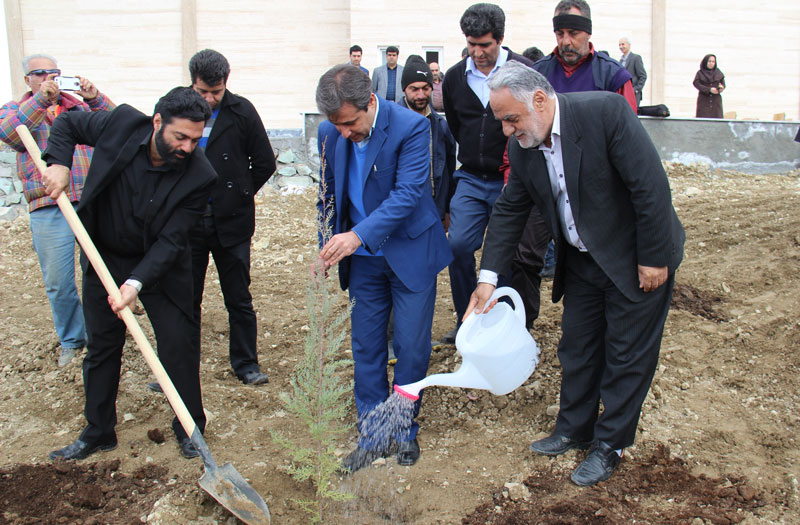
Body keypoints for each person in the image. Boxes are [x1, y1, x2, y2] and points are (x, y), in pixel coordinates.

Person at [467, 61, 684, 486]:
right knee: (578, 348)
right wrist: (488, 278)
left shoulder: (605, 114)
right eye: (502, 122)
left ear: (541, 101)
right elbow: (511, 210)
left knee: (626, 354)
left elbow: (650, 186)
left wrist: (655, 257)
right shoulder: (522, 147)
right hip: (583, 260)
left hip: (634, 255)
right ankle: (573, 428)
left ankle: (610, 444)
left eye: (511, 119)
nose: (507, 131)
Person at [43, 87, 217, 461]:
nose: (187, 147)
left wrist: (135, 284)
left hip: (160, 268)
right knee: (103, 347)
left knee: (178, 344)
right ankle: (98, 432)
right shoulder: (121, 124)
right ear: (157, 123)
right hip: (103, 258)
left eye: (195, 139)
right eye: (179, 137)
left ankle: (190, 428)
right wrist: (58, 162)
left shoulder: (201, 175)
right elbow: (68, 123)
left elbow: (172, 242)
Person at [315, 64, 452, 473]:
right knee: (367, 348)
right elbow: (327, 197)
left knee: (411, 348)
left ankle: (404, 429)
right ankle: (374, 435)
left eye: (350, 123)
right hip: (364, 265)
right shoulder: (330, 133)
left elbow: (409, 193)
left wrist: (356, 236)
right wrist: (324, 246)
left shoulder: (410, 127)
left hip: (410, 253)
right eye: (336, 125)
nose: (344, 133)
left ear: (370, 102)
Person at [511, 0, 639, 331]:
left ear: (589, 34)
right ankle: (522, 326)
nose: (566, 41)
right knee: (525, 254)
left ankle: (597, 323)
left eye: (574, 33)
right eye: (560, 33)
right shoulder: (537, 74)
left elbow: (631, 141)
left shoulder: (613, 76)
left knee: (593, 258)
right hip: (545, 183)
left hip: (597, 193)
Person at [0, 54, 114, 367]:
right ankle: (73, 340)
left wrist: (95, 98)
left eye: (54, 73)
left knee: (104, 270)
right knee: (59, 280)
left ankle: (106, 330)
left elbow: (119, 126)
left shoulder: (77, 106)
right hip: (49, 205)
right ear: (28, 79)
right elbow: (11, 133)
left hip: (90, 200)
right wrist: (41, 100)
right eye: (39, 73)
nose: (47, 77)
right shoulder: (16, 109)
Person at [440, 2, 534, 344]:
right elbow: (455, 123)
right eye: (471, 44)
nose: (478, 52)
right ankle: (468, 320)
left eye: (485, 45)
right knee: (459, 246)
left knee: (506, 253)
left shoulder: (524, 71)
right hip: (470, 179)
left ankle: (503, 325)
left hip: (513, 181)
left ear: (501, 39)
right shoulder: (453, 78)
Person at [185, 49, 275, 386]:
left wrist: (238, 193)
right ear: (191, 83)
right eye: (202, 92)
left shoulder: (242, 111)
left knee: (238, 297)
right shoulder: (173, 108)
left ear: (227, 83)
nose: (208, 99)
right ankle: (178, 366)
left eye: (215, 92)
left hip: (232, 222)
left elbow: (264, 162)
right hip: (187, 222)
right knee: (184, 300)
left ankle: (246, 364)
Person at [399, 55, 456, 224]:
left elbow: (449, 170)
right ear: (404, 90)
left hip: (433, 209)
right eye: (414, 89)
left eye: (425, 88)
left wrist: (446, 208)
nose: (421, 95)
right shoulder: (391, 123)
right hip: (401, 211)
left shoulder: (441, 125)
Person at [694, 54, 725, 118]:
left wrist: (721, 88)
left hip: (716, 102)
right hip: (704, 101)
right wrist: (709, 89)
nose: (711, 63)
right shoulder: (700, 73)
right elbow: (696, 83)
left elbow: (722, 84)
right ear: (705, 62)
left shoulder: (718, 72)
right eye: (709, 61)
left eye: (713, 62)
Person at [619, 36, 647, 106]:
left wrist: (636, 90)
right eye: (619, 45)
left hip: (633, 95)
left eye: (623, 44)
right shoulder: (621, 60)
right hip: (623, 95)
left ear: (629, 45)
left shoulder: (636, 58)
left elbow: (643, 76)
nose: (621, 46)